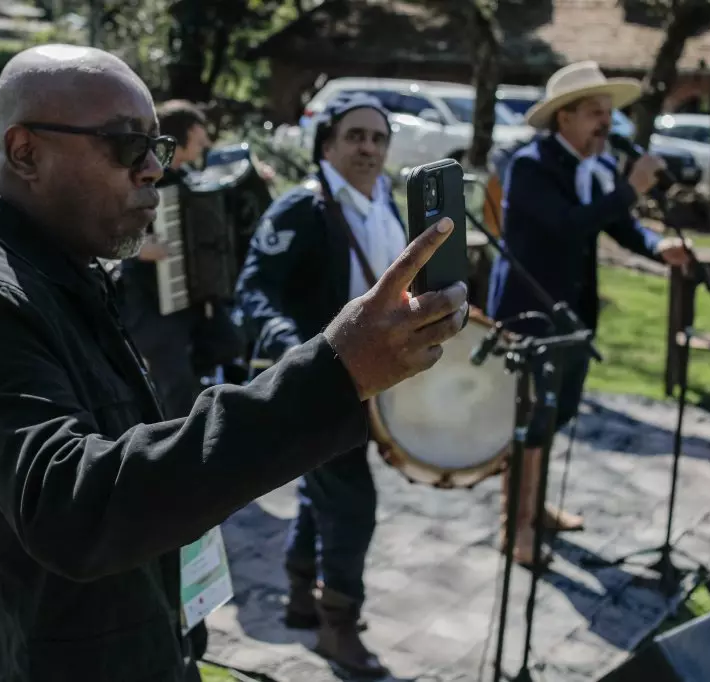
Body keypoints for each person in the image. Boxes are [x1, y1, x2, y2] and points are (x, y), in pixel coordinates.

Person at [0, 44, 469, 682]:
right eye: (124, 145)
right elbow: (74, 506)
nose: (152, 170)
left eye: (158, 147)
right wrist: (334, 372)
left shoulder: (57, 263)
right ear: (25, 151)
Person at [235, 92, 415, 678]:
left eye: (378, 138)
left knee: (325, 492)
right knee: (353, 503)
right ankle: (339, 628)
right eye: (356, 136)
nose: (368, 148)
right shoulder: (302, 209)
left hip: (377, 384)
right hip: (327, 381)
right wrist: (292, 343)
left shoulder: (388, 205)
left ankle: (298, 597)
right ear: (329, 144)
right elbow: (254, 289)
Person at [487, 61, 694, 567]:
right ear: (564, 119)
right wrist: (631, 189)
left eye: (609, 113)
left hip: (573, 314)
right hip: (530, 314)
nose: (608, 123)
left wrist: (655, 245)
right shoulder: (530, 165)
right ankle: (517, 528)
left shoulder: (594, 165)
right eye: (596, 114)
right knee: (530, 420)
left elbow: (618, 226)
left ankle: (535, 505)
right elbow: (566, 226)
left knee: (557, 414)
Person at [115, 99, 235, 424]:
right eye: (201, 133)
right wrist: (139, 247)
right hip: (148, 299)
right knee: (175, 383)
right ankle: (177, 451)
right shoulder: (141, 175)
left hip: (187, 298)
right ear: (188, 132)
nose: (207, 141)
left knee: (227, 344)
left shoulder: (187, 178)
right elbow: (104, 226)